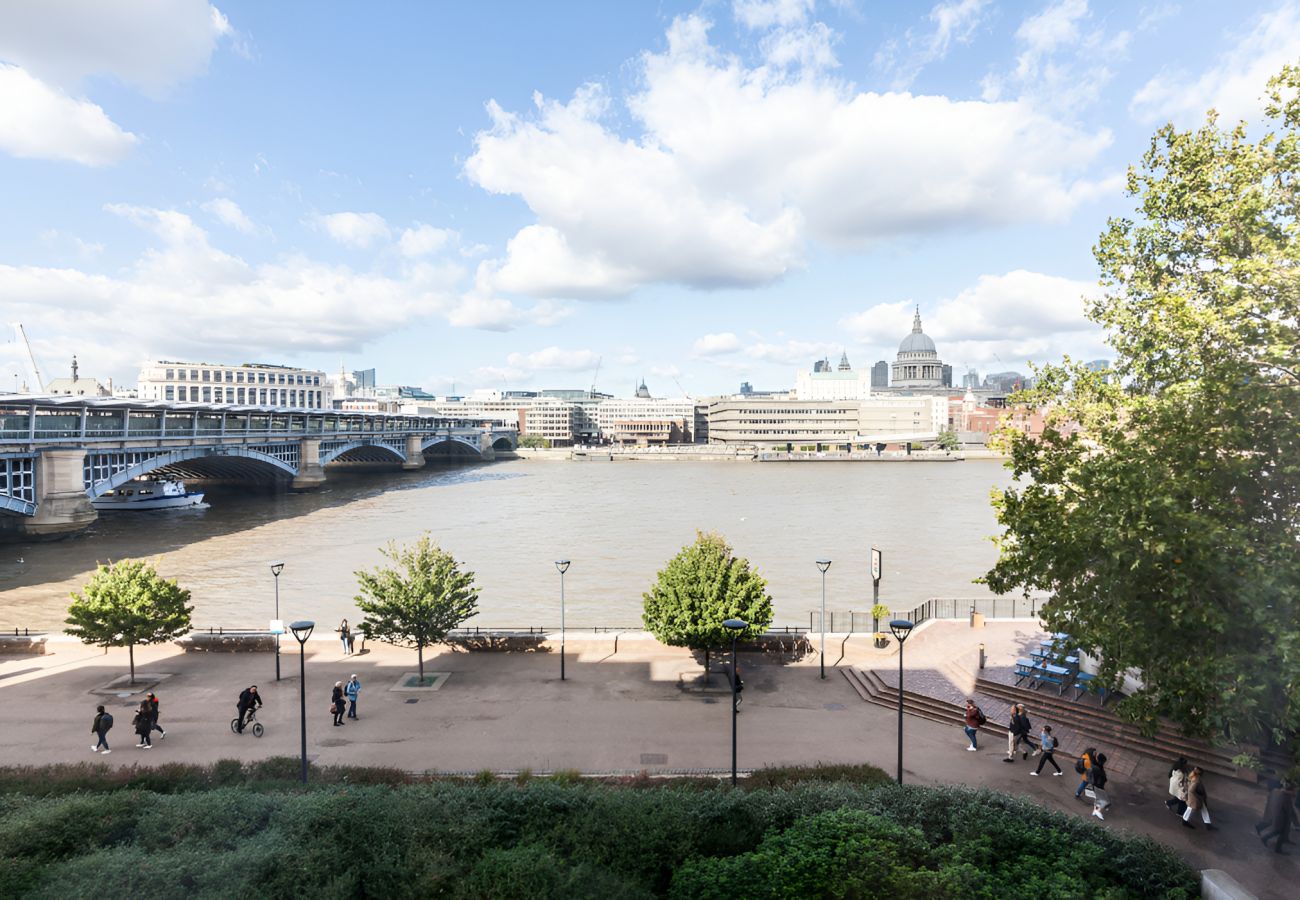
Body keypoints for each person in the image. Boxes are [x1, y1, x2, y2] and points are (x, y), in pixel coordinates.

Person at [1256, 780, 1298, 852]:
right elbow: (1288, 810)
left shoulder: (1284, 794)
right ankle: (1275, 847)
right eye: (1294, 790)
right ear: (1291, 790)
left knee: (1278, 831)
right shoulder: (1286, 796)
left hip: (1279, 816)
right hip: (1282, 817)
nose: (1295, 792)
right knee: (1279, 831)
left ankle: (1267, 839)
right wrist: (1294, 820)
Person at [1090, 751, 1110, 820]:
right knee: (1102, 799)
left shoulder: (1096, 764)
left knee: (1099, 797)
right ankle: (1097, 811)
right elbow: (1101, 778)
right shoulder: (1097, 768)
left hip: (1096, 784)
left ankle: (1096, 809)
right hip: (1098, 785)